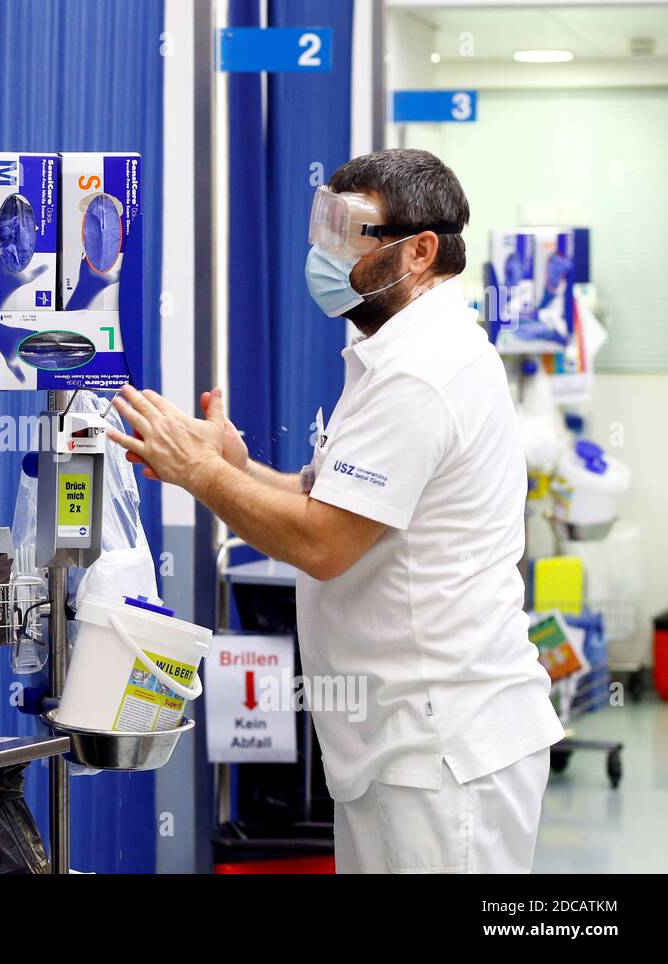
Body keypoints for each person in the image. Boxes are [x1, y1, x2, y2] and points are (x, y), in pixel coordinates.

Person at [108, 148, 563, 874]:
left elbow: (325, 543)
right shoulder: (398, 354)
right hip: (404, 744)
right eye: (324, 225)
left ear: (418, 251)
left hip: (440, 752)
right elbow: (335, 501)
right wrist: (237, 467)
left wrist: (197, 475)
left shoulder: (423, 372)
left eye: (350, 231)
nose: (326, 253)